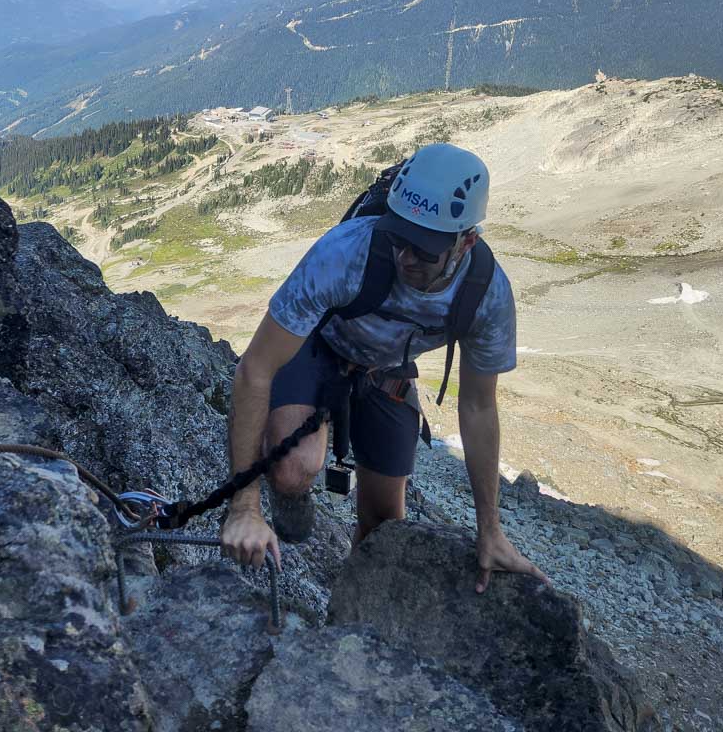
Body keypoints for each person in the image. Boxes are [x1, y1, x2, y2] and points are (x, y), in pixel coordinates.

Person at [221, 142, 549, 593]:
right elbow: (255, 369)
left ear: (466, 241)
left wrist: (489, 529)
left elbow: (477, 407)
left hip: (387, 370)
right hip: (321, 345)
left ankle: (352, 607)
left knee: (384, 524)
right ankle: (289, 495)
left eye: (425, 250)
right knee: (295, 467)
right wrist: (244, 507)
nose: (405, 259)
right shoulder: (344, 253)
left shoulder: (486, 294)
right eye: (398, 240)